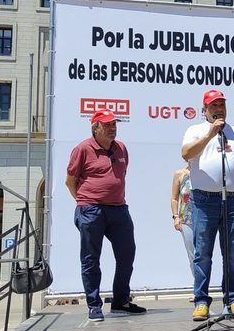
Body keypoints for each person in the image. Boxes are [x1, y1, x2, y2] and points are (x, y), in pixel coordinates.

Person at [181, 89, 234, 321]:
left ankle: (232, 299)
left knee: (232, 253)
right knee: (202, 253)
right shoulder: (195, 130)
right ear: (204, 109)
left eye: (222, 104)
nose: (219, 109)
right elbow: (186, 154)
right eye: (213, 105)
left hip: (232, 200)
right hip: (204, 200)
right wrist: (209, 135)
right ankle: (201, 301)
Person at [65, 108, 146, 322]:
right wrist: (84, 201)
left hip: (119, 209)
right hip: (91, 210)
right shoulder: (83, 148)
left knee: (127, 254)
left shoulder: (121, 149)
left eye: (114, 124)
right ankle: (93, 305)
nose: (112, 128)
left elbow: (121, 174)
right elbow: (70, 181)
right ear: (95, 127)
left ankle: (120, 301)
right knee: (91, 259)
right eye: (107, 125)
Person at [170, 164, 196, 301]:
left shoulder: (205, 172)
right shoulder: (180, 174)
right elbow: (174, 198)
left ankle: (201, 287)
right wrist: (175, 217)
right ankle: (198, 287)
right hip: (186, 219)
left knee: (203, 254)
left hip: (205, 218)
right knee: (193, 255)